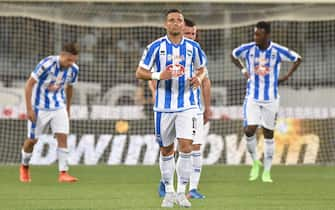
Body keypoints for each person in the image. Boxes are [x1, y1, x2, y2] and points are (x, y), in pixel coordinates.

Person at [136, 9, 207, 208]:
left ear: (183, 25)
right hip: (163, 107)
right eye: (172, 20)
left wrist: (198, 79)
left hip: (188, 105)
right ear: (166, 24)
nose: (176, 23)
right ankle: (168, 192)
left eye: (179, 20)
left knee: (186, 147)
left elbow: (202, 69)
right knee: (167, 150)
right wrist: (159, 76)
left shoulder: (193, 47)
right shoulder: (155, 47)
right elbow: (140, 72)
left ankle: (181, 192)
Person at [231, 21, 302, 183]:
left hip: (271, 99)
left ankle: (267, 172)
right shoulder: (248, 48)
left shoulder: (277, 50)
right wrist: (243, 69)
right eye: (255, 34)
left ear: (267, 35)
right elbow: (233, 54)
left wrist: (286, 77)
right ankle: (255, 162)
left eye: (259, 34)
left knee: (268, 134)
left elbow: (297, 58)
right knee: (249, 130)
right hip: (252, 98)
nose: (255, 37)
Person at [157, 18, 212, 199]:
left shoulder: (196, 54)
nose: (191, 36)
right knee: (169, 147)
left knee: (193, 147)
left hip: (193, 108)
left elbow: (205, 81)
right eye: (188, 33)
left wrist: (207, 107)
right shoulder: (168, 51)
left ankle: (192, 189)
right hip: (169, 107)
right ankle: (166, 182)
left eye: (193, 34)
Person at [20, 43, 80, 183]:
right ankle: (24, 166)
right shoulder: (46, 64)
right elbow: (29, 84)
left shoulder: (74, 69)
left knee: (63, 137)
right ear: (62, 55)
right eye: (69, 60)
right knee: (32, 141)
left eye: (74, 60)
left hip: (59, 106)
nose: (71, 63)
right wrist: (29, 109)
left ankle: (63, 173)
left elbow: (70, 88)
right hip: (39, 107)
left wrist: (68, 108)